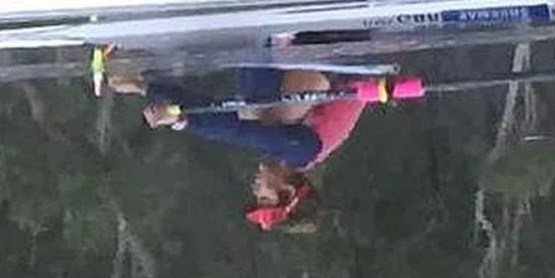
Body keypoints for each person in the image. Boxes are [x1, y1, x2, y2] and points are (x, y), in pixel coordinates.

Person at [110, 66, 368, 232]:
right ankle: (267, 32)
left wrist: (144, 87)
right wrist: (180, 119)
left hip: (325, 68)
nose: (255, 190)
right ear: (287, 190)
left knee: (252, 115)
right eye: (264, 197)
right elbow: (235, 130)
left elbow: (224, 120)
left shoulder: (291, 153)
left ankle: (262, 35)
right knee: (257, 115)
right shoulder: (302, 151)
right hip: (344, 63)